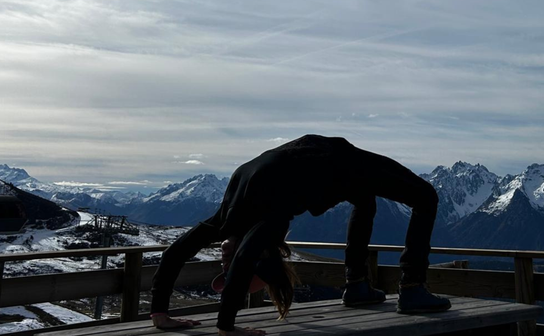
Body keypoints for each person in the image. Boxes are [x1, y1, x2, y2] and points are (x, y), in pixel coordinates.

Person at [150, 134, 451, 335]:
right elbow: (243, 258)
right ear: (262, 254)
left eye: (223, 266)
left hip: (334, 158)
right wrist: (225, 326)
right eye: (227, 268)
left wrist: (160, 314)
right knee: (423, 197)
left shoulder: (226, 217)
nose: (223, 261)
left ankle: (364, 285)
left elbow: (177, 251)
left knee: (379, 199)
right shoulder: (267, 220)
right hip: (338, 164)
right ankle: (404, 287)